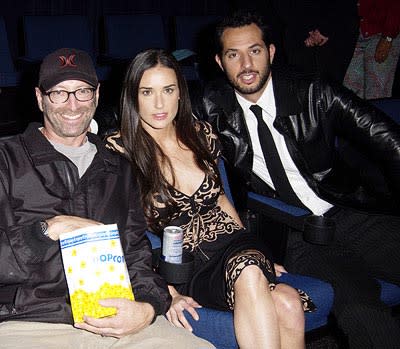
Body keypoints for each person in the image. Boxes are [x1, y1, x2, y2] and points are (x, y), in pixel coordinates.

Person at [193, 11, 400, 348]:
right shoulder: (210, 105)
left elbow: (388, 140)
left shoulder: (315, 91)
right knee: (361, 310)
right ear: (219, 61)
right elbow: (149, 109)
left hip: (349, 211)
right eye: (234, 55)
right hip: (297, 233)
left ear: (271, 52)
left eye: (255, 51)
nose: (246, 64)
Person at [0, 47, 214, 349]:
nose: (72, 104)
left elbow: (137, 257)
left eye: (82, 92)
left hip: (117, 319)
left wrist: (148, 307)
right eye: (59, 93)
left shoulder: (118, 169)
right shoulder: (6, 160)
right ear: (39, 98)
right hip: (31, 322)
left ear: (97, 95)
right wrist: (46, 231)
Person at [109, 48, 312, 349]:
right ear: (132, 96)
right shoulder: (120, 152)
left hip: (235, 245)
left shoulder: (199, 133)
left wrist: (258, 255)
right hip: (186, 265)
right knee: (284, 299)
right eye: (147, 92)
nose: (160, 103)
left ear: (181, 92)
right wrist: (168, 292)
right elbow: (126, 236)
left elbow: (220, 199)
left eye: (168, 90)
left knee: (284, 299)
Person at [343, 0, 400, 99]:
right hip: (356, 33)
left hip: (382, 33)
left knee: (377, 93)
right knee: (349, 92)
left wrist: (388, 37)